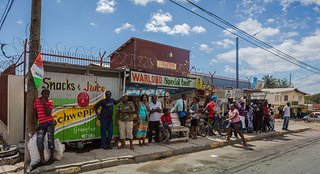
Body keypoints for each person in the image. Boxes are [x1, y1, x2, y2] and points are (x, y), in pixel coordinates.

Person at [33, 88, 55, 166]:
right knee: (39, 141)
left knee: (50, 140)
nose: (47, 95)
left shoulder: (50, 102)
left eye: (48, 94)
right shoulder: (36, 102)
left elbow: (48, 114)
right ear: (41, 94)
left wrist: (44, 104)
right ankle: (42, 160)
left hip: (50, 123)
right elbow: (35, 114)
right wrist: (36, 124)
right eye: (45, 94)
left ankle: (52, 158)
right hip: (41, 125)